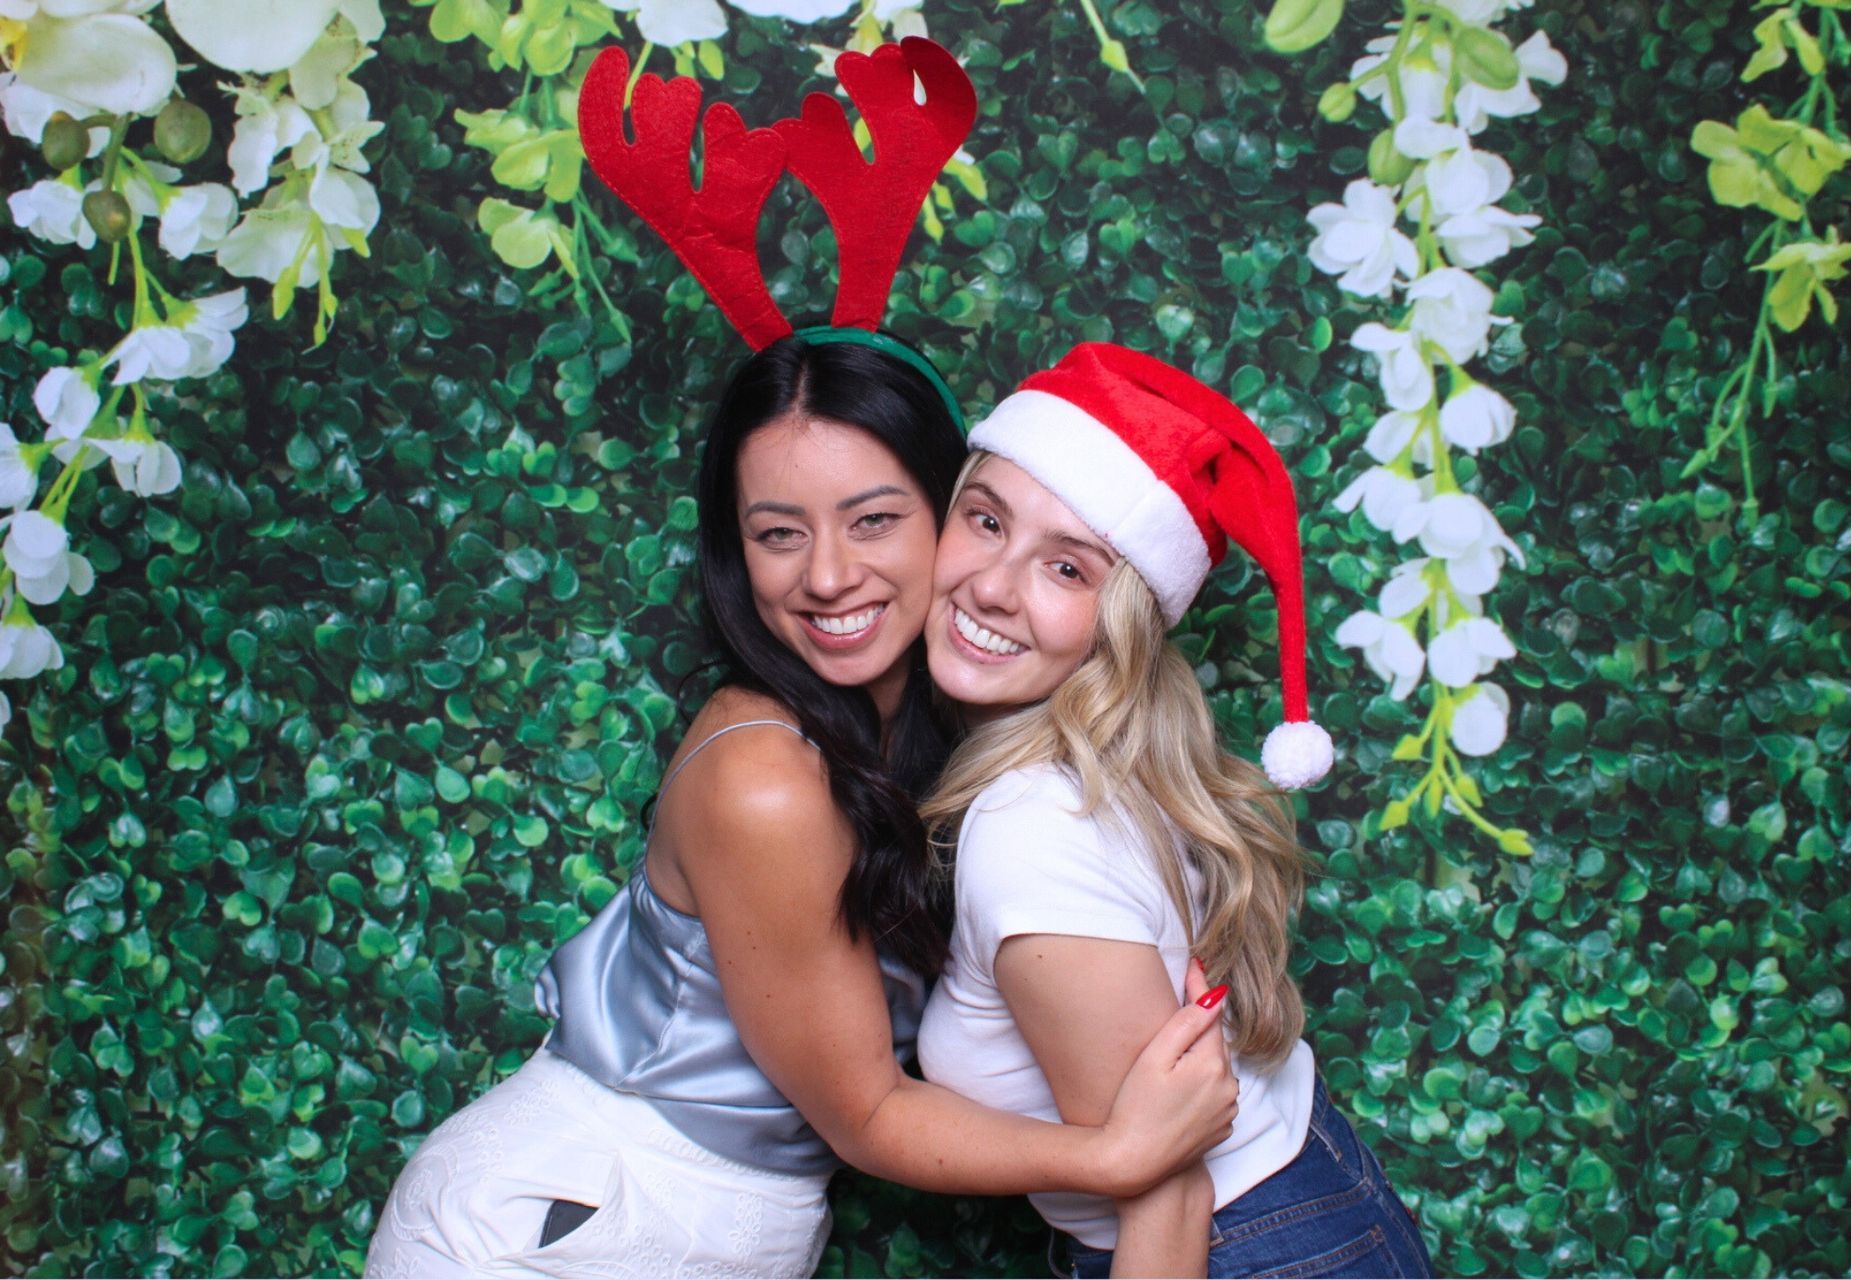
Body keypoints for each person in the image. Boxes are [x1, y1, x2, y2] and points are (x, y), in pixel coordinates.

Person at [365, 334, 1240, 1279]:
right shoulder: (767, 778)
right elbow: (865, 1112)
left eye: (871, 520)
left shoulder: (952, 740)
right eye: (779, 533)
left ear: (954, 514)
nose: (825, 577)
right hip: (567, 1222)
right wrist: (1123, 1156)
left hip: (703, 1223)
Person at [916, 342, 1435, 1278]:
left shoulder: (1033, 829)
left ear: (1123, 620)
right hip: (1302, 1207)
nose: (993, 586)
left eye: (1067, 570)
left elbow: (1171, 1184)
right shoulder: (1098, 766)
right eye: (986, 521)